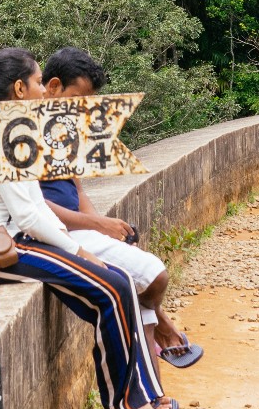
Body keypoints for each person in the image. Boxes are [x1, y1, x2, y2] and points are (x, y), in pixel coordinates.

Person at [0, 49, 214, 409]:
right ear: (20, 89)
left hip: (17, 238)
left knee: (114, 286)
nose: (43, 90)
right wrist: (77, 248)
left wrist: (79, 242)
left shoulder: (3, 125)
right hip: (7, 245)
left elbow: (33, 209)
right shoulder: (4, 130)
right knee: (112, 286)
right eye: (39, 82)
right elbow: (27, 214)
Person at [39, 47, 198, 366]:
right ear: (52, 86)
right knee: (154, 276)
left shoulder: (62, 129)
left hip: (80, 229)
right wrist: (99, 226)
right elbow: (33, 206)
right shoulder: (23, 134)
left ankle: (155, 400)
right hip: (57, 235)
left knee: (142, 312)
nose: (81, 111)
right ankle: (163, 332)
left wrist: (104, 226)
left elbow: (76, 188)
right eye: (76, 99)